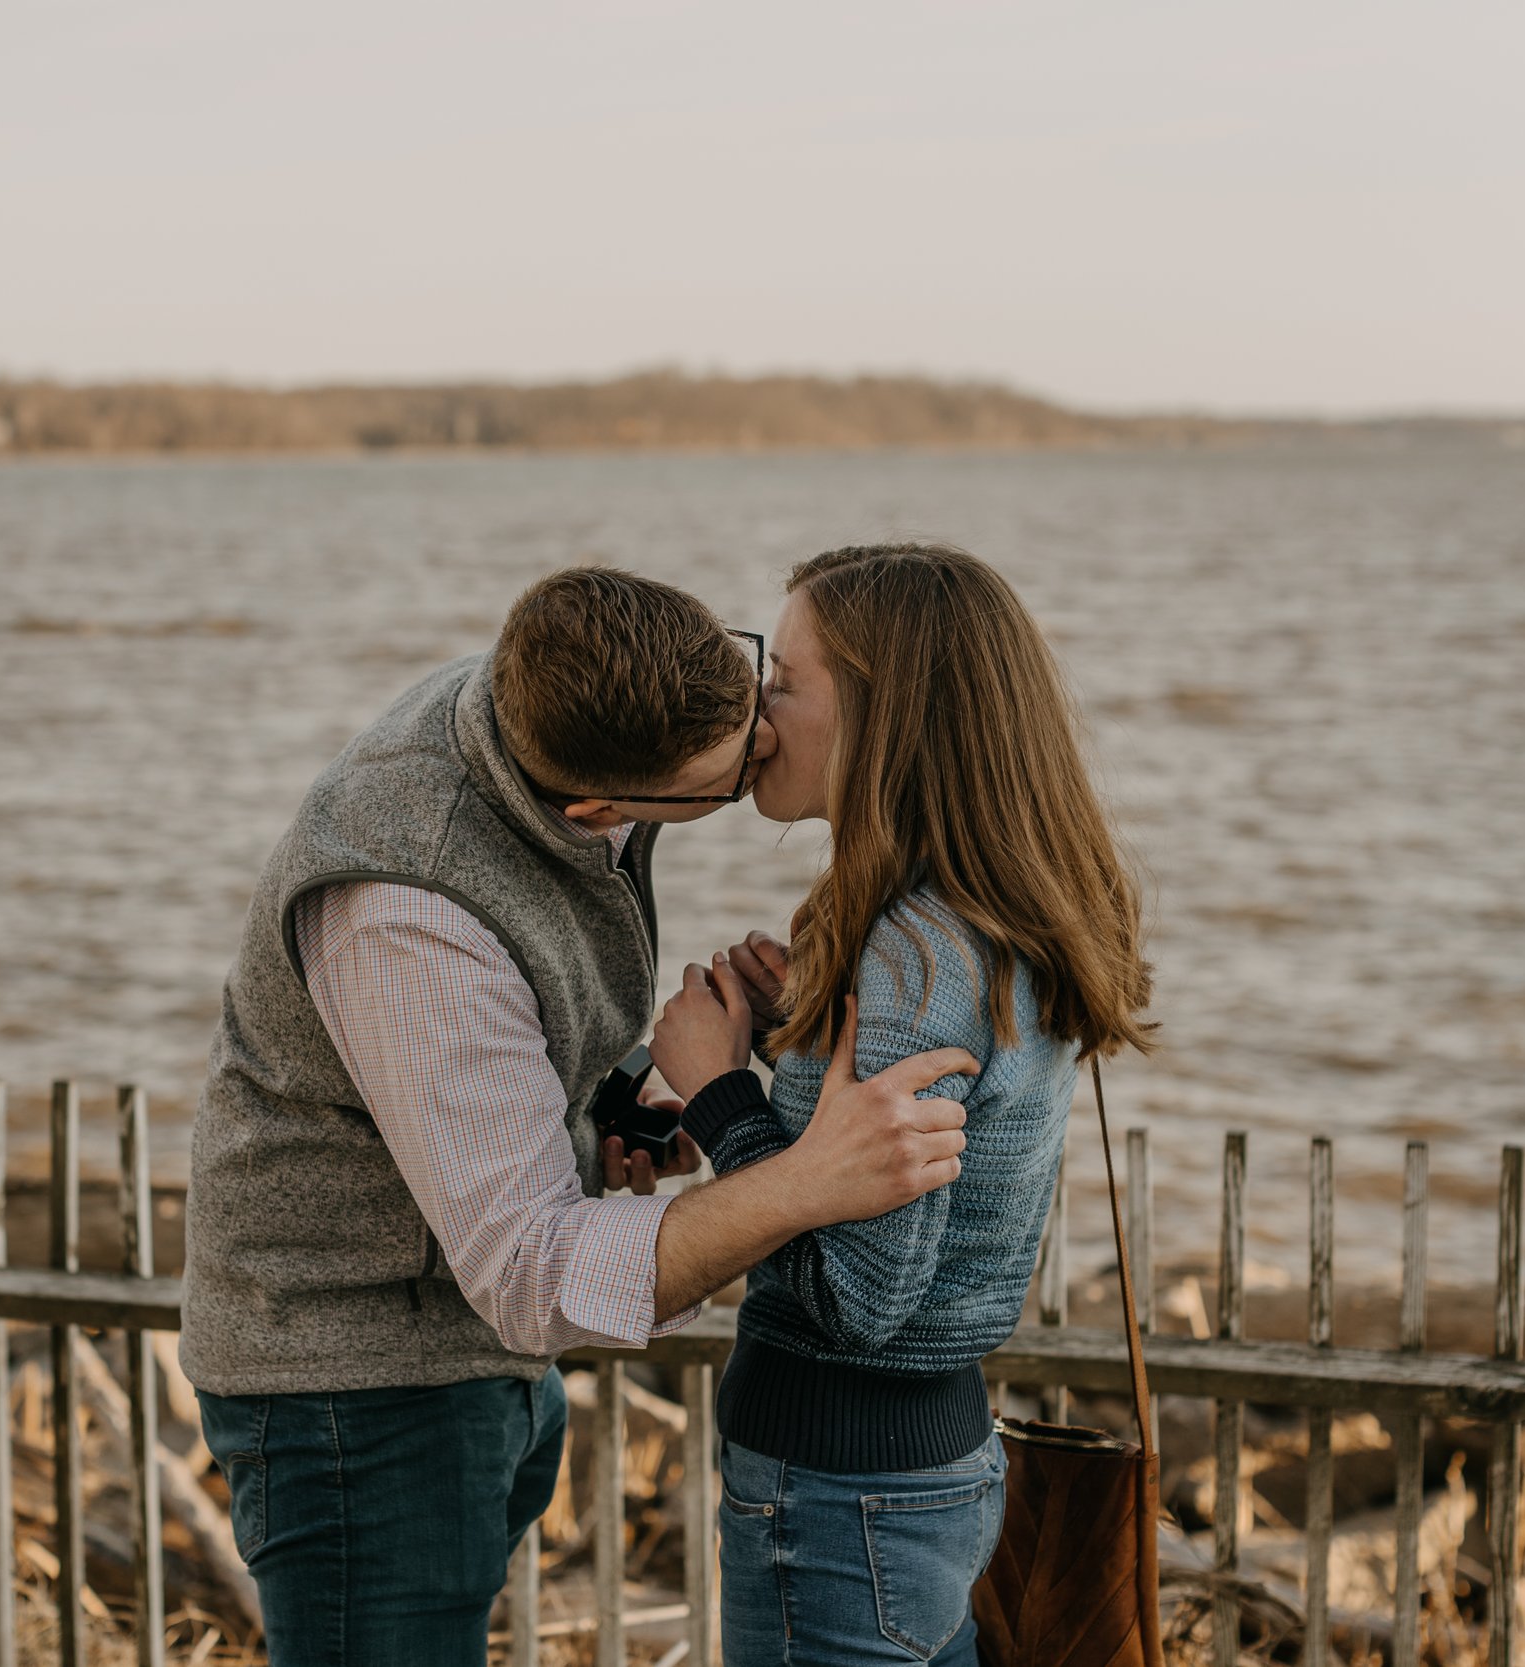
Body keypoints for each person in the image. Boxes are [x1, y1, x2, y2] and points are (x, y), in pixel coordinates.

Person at [179, 565, 979, 1667]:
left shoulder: (564, 699)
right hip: (354, 1387)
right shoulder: (406, 915)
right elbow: (530, 1276)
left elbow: (486, 1075)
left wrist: (614, 1112)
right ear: (598, 810)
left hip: (460, 1339)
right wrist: (800, 1176)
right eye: (722, 775)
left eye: (759, 686)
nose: (760, 743)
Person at [650, 544, 1156, 1667]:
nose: (756, 711)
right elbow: (896, 1196)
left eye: (782, 676)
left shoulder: (913, 956)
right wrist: (806, 1036)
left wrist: (720, 1087)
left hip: (839, 1495)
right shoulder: (980, 921)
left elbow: (858, 1299)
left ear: (885, 713)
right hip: (924, 1474)